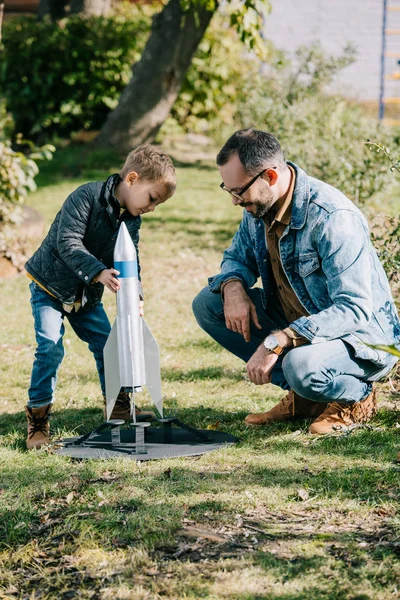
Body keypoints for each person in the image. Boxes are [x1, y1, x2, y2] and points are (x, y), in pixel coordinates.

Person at [193, 129, 400, 434]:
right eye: (229, 190)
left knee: (299, 365)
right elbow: (236, 258)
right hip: (303, 329)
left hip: (361, 340)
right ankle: (307, 398)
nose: (235, 201)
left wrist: (280, 339)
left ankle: (356, 396)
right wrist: (232, 288)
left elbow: (354, 309)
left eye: (239, 191)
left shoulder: (331, 217)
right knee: (209, 304)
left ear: (271, 177)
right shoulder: (257, 207)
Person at [25, 144, 176, 449]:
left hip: (85, 297)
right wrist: (98, 272)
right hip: (49, 288)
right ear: (132, 179)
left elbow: (130, 261)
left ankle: (118, 406)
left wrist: (136, 294)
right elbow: (67, 242)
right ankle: (38, 420)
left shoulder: (132, 220)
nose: (152, 208)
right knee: (50, 347)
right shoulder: (85, 196)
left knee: (110, 344)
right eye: (152, 199)